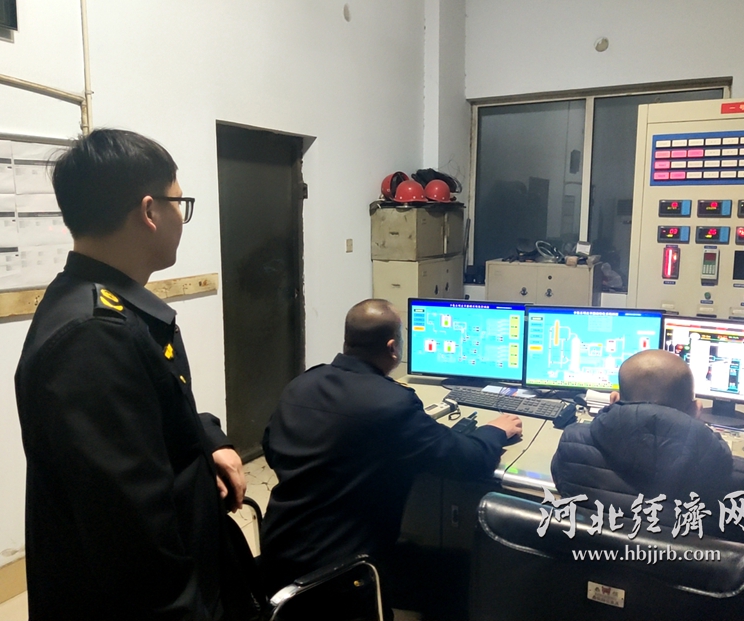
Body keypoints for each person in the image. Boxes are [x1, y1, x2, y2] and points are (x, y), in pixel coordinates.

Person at [15, 129, 250, 620]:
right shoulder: (93, 337)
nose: (181, 219)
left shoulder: (103, 308)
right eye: (179, 203)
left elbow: (152, 414)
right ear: (149, 212)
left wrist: (209, 441)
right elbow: (133, 544)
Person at [260, 299, 522, 604]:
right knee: (460, 574)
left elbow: (271, 448)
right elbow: (469, 461)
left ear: (347, 340)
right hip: (341, 571)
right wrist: (495, 430)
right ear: (393, 348)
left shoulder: (300, 384)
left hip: (278, 553)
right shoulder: (391, 403)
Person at [551, 349, 744, 548]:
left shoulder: (572, 447)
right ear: (696, 410)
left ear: (614, 399)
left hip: (597, 581)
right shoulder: (737, 477)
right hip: (687, 592)